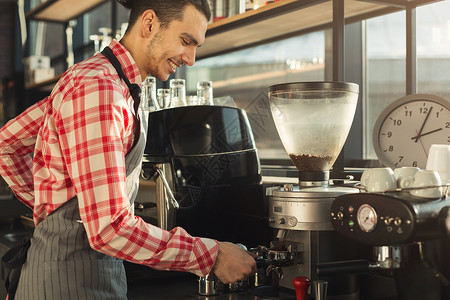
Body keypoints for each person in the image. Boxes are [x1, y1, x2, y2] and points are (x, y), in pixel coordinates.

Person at [0, 0, 256, 299]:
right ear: (149, 24)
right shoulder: (100, 88)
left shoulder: (110, 83)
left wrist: (51, 205)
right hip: (70, 281)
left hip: (80, 272)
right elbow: (110, 229)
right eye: (186, 41)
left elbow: (7, 143)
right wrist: (213, 256)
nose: (191, 59)